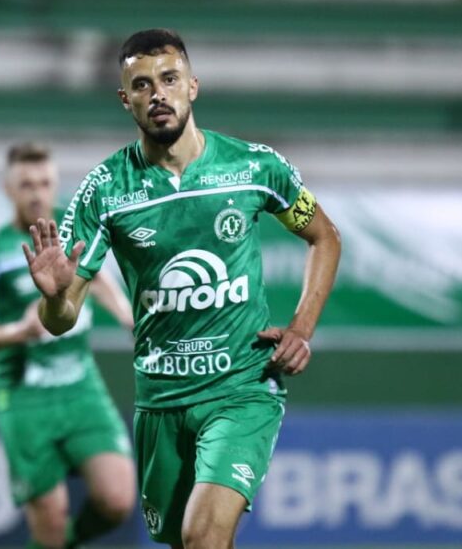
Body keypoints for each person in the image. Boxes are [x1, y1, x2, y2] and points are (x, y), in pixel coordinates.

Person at [21, 29, 342, 549]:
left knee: (203, 536)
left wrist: (303, 327)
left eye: (169, 80)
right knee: (186, 541)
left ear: (193, 86)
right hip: (161, 399)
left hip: (241, 388)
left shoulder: (254, 167)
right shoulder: (105, 190)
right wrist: (56, 295)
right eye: (142, 85)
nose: (158, 95)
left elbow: (324, 237)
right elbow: (60, 320)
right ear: (126, 100)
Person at [0, 142, 136, 549]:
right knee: (50, 523)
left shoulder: (74, 231)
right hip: (25, 398)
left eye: (44, 183)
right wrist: (15, 333)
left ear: (56, 186)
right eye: (26, 184)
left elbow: (95, 276)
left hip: (81, 386)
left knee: (118, 500)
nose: (37, 193)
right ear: (8, 189)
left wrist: (125, 314)